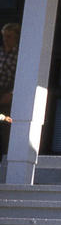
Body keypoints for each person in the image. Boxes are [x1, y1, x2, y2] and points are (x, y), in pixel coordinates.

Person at [0, 22, 20, 162]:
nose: (6, 39)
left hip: (9, 94)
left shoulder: (20, 55)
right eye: (4, 36)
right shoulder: (1, 53)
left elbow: (22, 76)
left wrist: (12, 94)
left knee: (5, 129)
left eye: (9, 36)